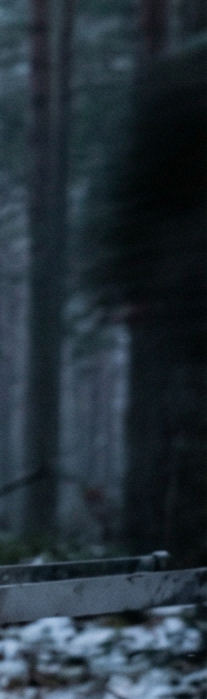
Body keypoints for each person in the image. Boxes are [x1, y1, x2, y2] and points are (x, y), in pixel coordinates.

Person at [104, 42, 207, 563]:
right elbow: (137, 190)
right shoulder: (184, 82)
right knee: (186, 445)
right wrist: (133, 283)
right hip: (191, 304)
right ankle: (180, 577)